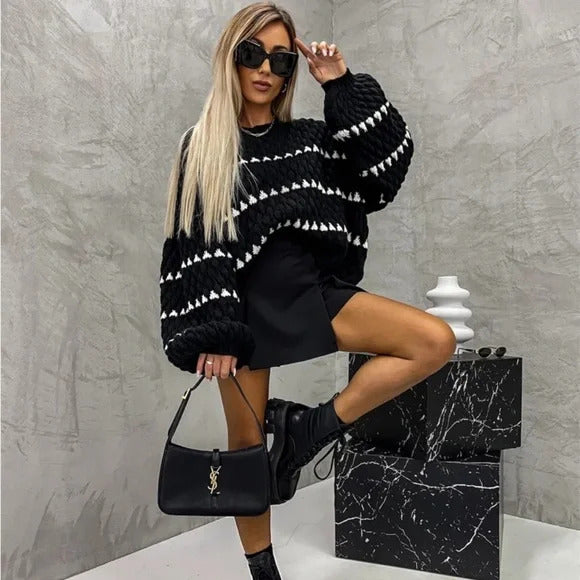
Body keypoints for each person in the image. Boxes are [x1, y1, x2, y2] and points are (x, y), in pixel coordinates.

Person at [159, 2, 455, 578]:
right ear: (231, 58)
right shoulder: (205, 146)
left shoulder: (310, 140)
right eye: (253, 54)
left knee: (433, 341)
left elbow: (384, 173)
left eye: (281, 60)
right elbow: (193, 244)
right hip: (245, 308)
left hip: (314, 291)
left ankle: (307, 431)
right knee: (246, 450)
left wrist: (340, 84)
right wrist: (214, 331)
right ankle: (263, 571)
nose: (265, 69)